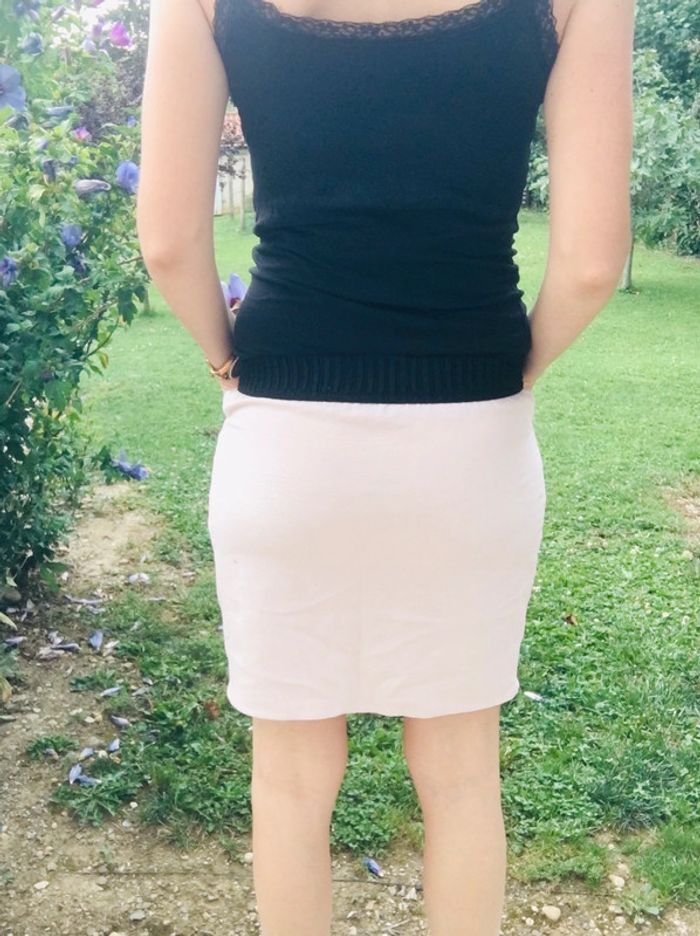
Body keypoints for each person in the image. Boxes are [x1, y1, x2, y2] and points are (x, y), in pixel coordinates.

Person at [136, 0, 634, 932]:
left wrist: (226, 360)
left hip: (283, 436)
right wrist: (514, 367)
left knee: (290, 784)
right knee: (460, 777)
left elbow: (166, 241)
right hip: (472, 443)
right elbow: (591, 263)